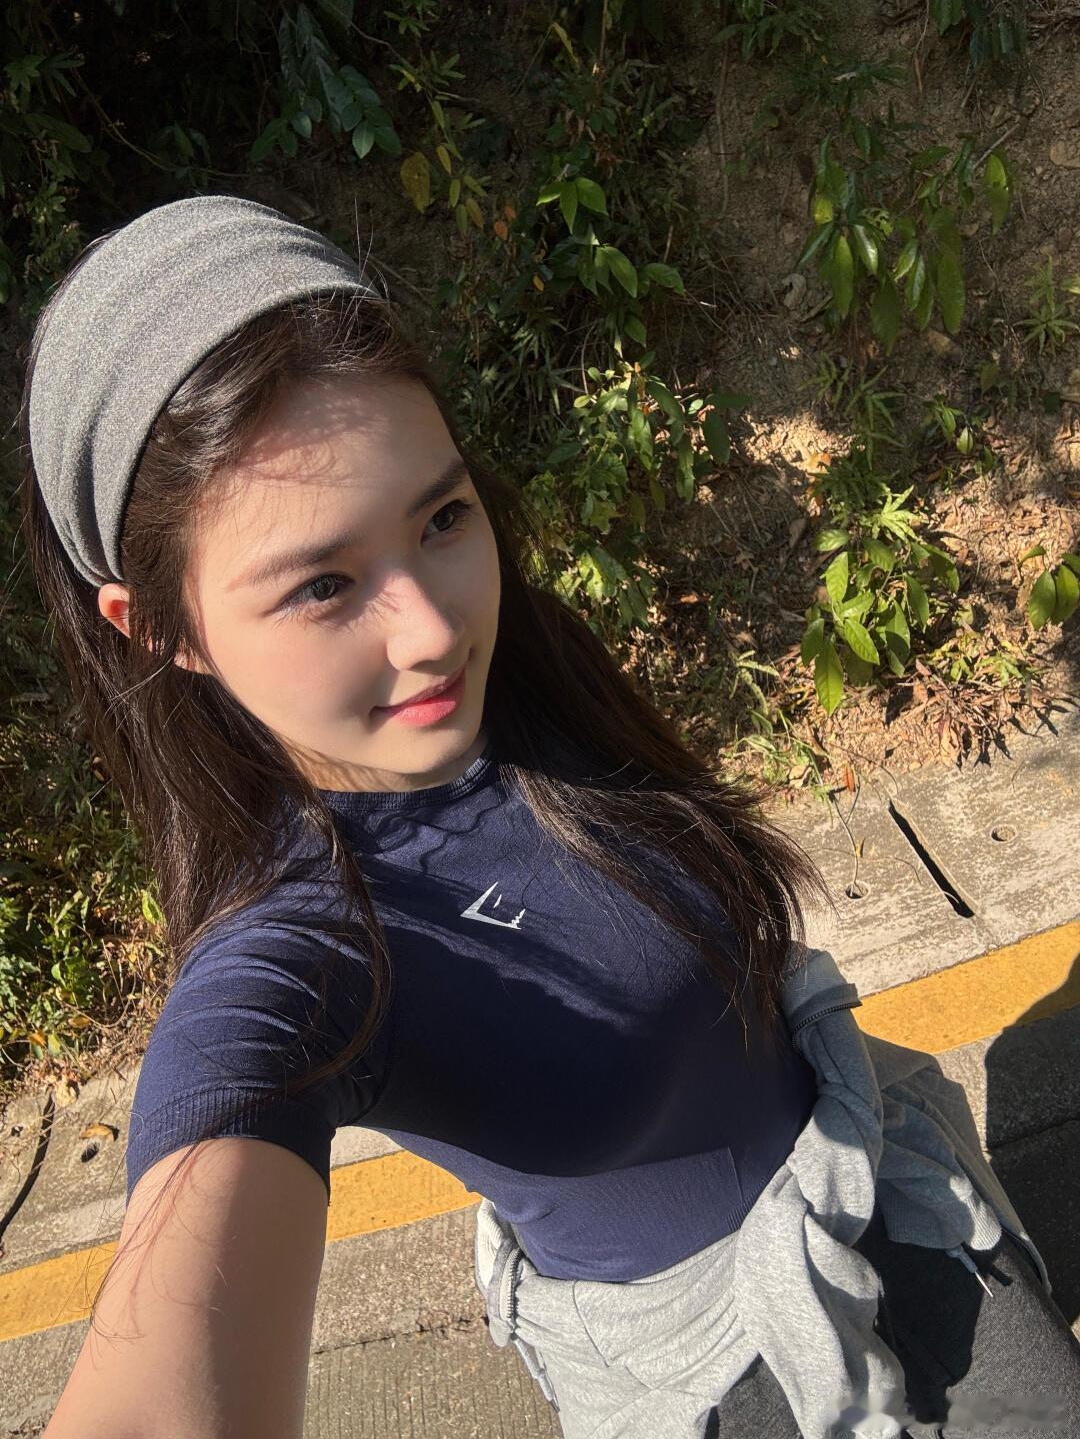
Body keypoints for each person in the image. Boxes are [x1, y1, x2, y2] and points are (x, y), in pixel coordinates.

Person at [20, 195, 1080, 1439]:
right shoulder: (298, 953)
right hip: (734, 1377)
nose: (433, 630)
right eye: (321, 585)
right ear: (162, 629)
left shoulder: (515, 685)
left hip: (887, 1181)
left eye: (441, 518)